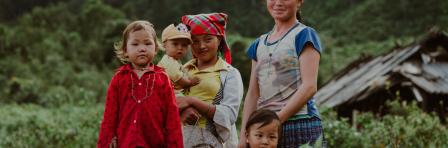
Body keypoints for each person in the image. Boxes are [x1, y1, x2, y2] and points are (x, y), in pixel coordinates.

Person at [239, 0, 325, 147]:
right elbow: (253, 94)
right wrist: (243, 138)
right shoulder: (259, 44)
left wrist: (276, 121)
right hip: (265, 130)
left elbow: (310, 86)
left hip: (299, 123)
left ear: (299, 2)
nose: (278, 3)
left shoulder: (303, 35)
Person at [97, 20, 183, 148]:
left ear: (155, 49)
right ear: (126, 50)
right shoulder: (118, 79)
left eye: (148, 43)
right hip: (126, 143)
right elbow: (110, 116)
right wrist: (107, 140)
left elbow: (172, 119)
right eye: (135, 44)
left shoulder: (162, 79)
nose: (142, 48)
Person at [176, 13, 244, 147]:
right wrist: (182, 111)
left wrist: (192, 101)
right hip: (180, 140)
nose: (201, 46)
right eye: (195, 41)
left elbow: (229, 115)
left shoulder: (229, 73)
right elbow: (166, 100)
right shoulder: (181, 70)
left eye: (208, 39)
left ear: (219, 40)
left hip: (213, 142)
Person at [158, 23, 200, 96]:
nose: (180, 48)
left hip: (173, 92)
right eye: (175, 44)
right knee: (192, 102)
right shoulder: (168, 61)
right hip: (168, 94)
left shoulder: (175, 61)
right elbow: (179, 79)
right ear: (164, 45)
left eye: (184, 45)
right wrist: (190, 83)